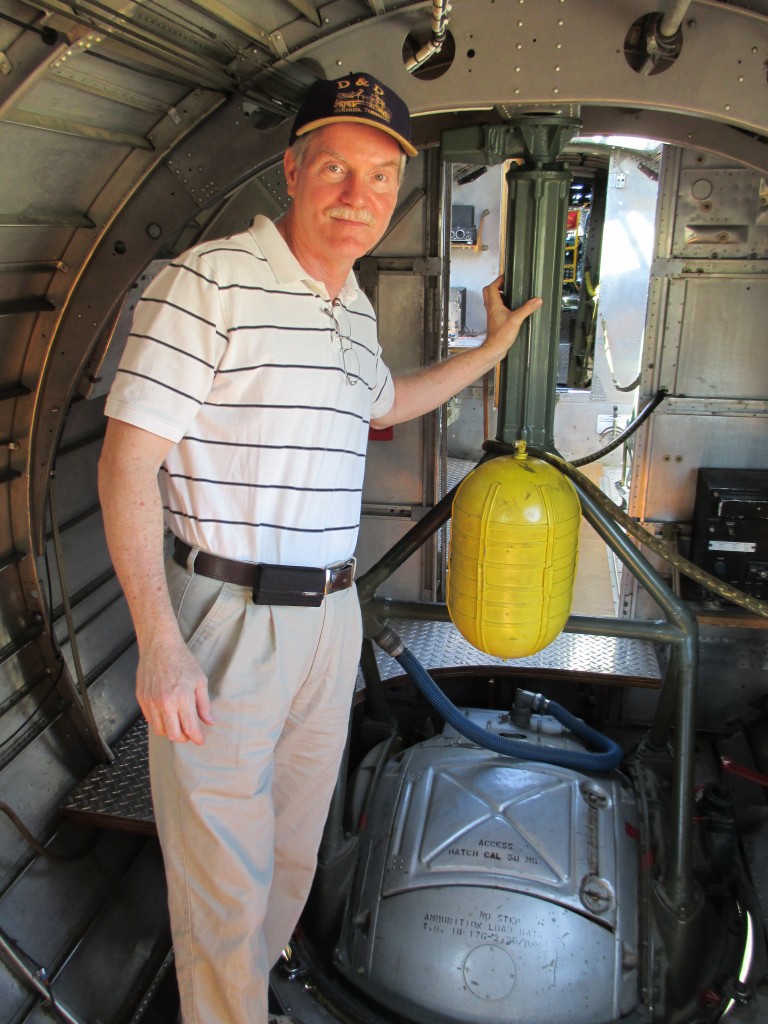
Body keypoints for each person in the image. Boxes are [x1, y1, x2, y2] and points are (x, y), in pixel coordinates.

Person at [98, 71, 541, 1024]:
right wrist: (159, 643)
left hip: (331, 616)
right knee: (223, 875)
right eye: (336, 167)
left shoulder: (350, 305)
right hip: (229, 621)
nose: (359, 196)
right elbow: (127, 465)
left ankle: (241, 1005)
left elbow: (386, 402)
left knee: (290, 851)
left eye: (381, 178)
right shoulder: (207, 282)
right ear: (291, 168)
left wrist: (492, 353)